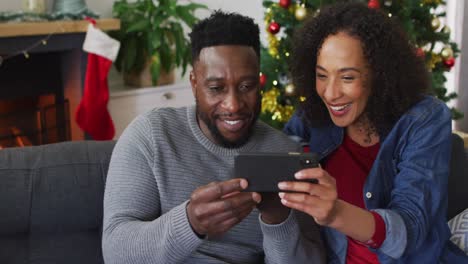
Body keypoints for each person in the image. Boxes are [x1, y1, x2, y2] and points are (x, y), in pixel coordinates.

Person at [102, 11, 325, 264]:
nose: (233, 105)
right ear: (194, 84)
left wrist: (278, 220)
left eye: (246, 86)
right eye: (216, 88)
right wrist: (190, 223)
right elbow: (115, 253)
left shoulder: (284, 153)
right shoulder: (152, 134)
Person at [279, 2, 468, 263]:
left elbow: (411, 228)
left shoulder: (424, 119)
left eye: (347, 78)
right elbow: (275, 155)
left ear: (380, 75)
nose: (331, 93)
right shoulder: (310, 118)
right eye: (322, 75)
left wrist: (335, 213)